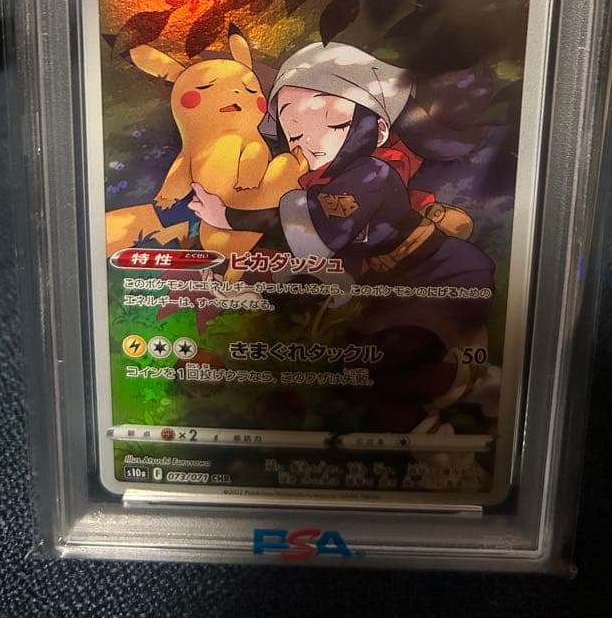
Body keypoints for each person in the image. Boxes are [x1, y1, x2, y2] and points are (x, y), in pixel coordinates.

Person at [190, 41, 499, 432]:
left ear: (379, 129)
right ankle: (449, 406)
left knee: (385, 361)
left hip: (443, 276)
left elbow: (317, 225)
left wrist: (228, 216)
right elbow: (321, 250)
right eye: (293, 128)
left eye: (331, 121)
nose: (308, 139)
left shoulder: (371, 174)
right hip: (391, 286)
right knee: (354, 370)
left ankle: (467, 389)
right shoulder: (324, 186)